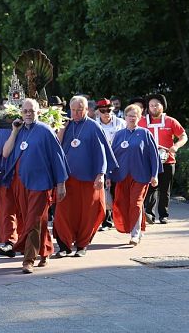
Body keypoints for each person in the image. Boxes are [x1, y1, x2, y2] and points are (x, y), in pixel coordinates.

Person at [2, 98, 69, 273]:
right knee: (33, 220)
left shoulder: (46, 131)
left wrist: (61, 184)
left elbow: (58, 158)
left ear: (38, 112)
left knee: (32, 220)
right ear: (20, 113)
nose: (28, 114)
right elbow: (5, 152)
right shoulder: (18, 130)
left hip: (41, 184)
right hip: (21, 183)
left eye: (31, 111)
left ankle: (28, 260)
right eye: (25, 111)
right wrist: (14, 132)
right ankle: (45, 250)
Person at [54, 96, 118, 257]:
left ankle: (82, 245)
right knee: (63, 212)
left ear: (87, 109)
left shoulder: (93, 126)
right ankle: (64, 246)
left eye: (79, 110)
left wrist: (101, 174)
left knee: (88, 213)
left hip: (89, 179)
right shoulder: (65, 125)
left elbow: (101, 152)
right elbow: (56, 147)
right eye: (73, 110)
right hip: (66, 178)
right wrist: (61, 129)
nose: (75, 113)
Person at [110, 104, 160, 245]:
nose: (132, 118)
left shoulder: (145, 133)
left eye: (135, 115)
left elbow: (154, 156)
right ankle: (138, 228)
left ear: (140, 118)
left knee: (136, 203)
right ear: (124, 117)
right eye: (130, 115)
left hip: (141, 175)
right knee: (125, 204)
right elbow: (112, 156)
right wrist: (108, 176)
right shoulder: (119, 135)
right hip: (122, 175)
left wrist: (154, 175)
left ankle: (135, 234)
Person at [139, 94, 188, 224]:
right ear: (148, 107)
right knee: (150, 187)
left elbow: (183, 136)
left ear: (162, 106)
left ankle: (163, 215)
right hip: (148, 162)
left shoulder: (171, 121)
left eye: (156, 105)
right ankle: (149, 213)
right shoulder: (141, 121)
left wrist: (176, 146)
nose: (154, 108)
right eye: (151, 105)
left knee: (165, 188)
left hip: (168, 160)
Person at [0, 126, 22, 258]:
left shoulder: (33, 127)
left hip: (25, 175)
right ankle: (10, 241)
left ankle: (25, 240)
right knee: (6, 209)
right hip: (5, 174)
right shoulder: (1, 129)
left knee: (25, 210)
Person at [95, 98, 126, 231]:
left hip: (118, 160)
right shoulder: (94, 124)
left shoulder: (121, 123)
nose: (106, 113)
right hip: (100, 160)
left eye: (109, 110)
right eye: (103, 111)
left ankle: (118, 218)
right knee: (102, 190)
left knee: (116, 190)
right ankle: (106, 221)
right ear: (98, 112)